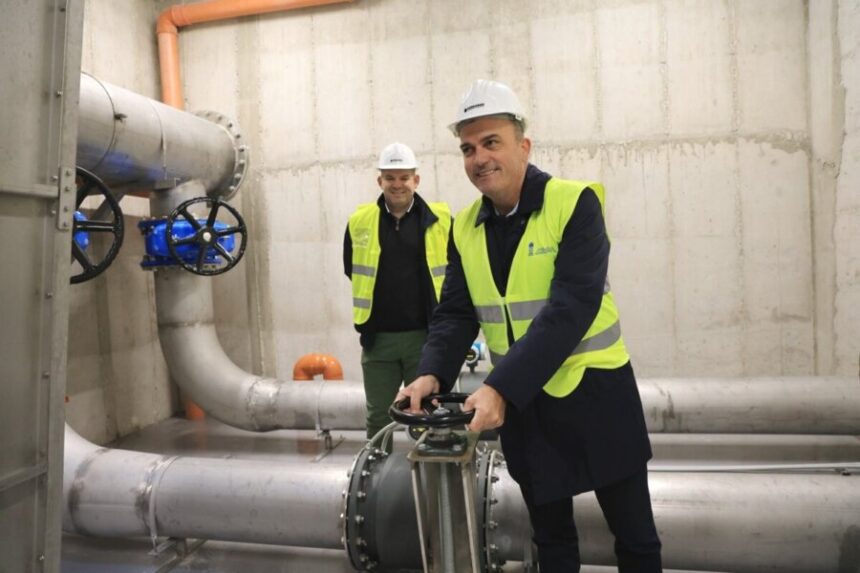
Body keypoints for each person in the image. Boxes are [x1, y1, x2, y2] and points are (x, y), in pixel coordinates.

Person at [396, 80, 662, 571]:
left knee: (635, 538)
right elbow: (455, 312)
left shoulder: (574, 204)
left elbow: (572, 307)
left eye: (491, 142)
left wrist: (499, 387)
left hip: (596, 396)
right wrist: (431, 373)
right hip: (527, 406)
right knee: (551, 542)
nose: (479, 158)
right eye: (468, 149)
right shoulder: (464, 226)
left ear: (524, 146)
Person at [344, 142, 452, 440]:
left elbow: (456, 272)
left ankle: (427, 470)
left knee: (426, 417)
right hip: (378, 340)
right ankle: (377, 470)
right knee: (378, 417)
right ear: (379, 181)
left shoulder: (441, 221)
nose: (397, 184)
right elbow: (351, 269)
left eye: (404, 177)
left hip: (425, 339)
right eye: (390, 177)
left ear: (416, 180)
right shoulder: (360, 222)